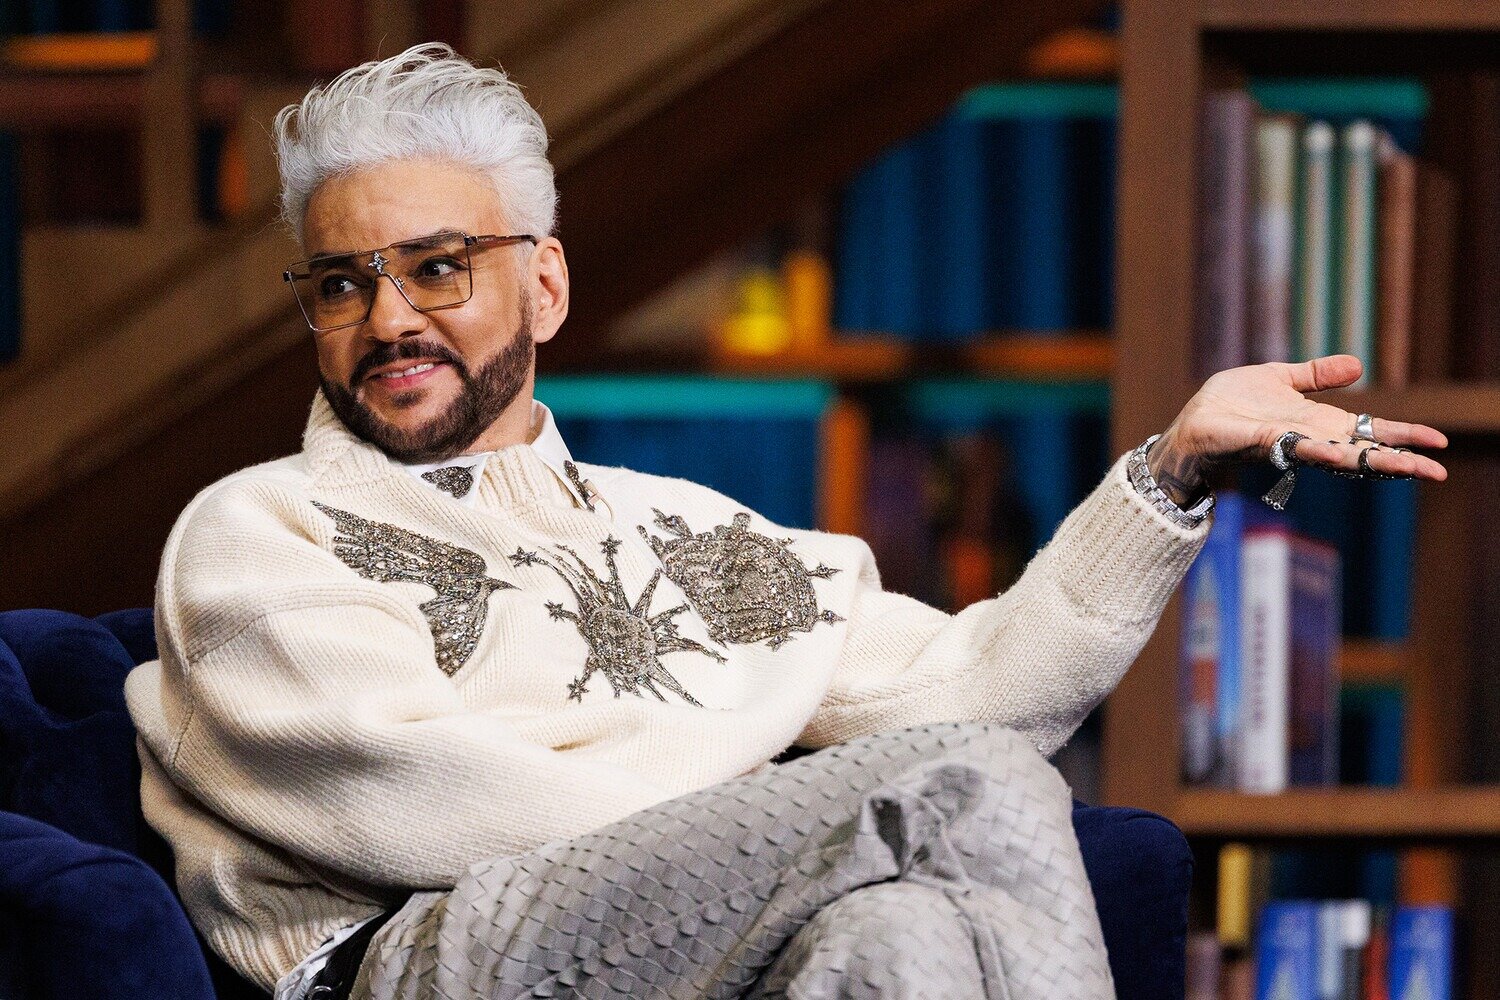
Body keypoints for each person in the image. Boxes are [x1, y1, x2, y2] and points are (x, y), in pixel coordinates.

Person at [123, 44, 1449, 1000]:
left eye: (437, 268)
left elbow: (976, 696)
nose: (389, 318)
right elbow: (434, 809)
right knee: (957, 795)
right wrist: (786, 810)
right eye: (342, 285)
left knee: (901, 942)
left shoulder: (685, 530)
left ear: (546, 286)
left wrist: (1171, 470)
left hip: (662, 942)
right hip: (411, 960)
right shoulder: (259, 533)